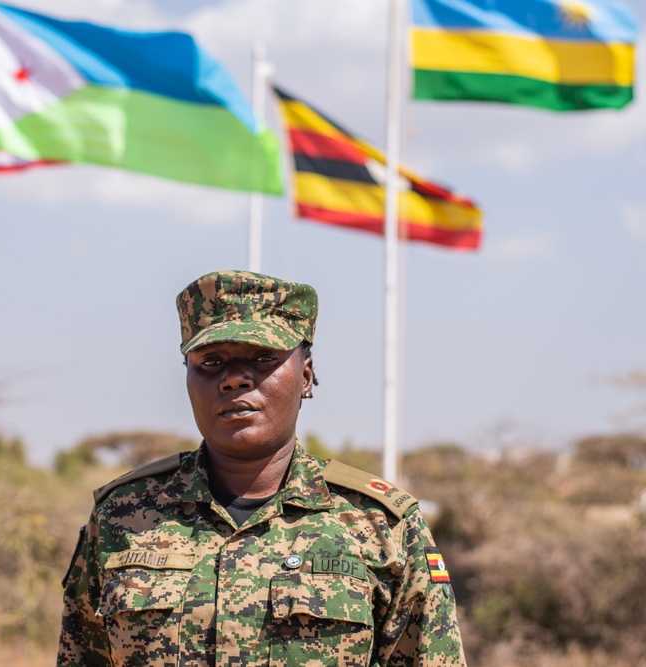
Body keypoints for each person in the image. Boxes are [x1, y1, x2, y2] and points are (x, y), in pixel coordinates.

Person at [57, 270, 466, 667]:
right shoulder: (121, 515)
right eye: (211, 361)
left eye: (262, 357)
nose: (234, 379)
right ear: (187, 378)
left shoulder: (381, 525)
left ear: (305, 376)